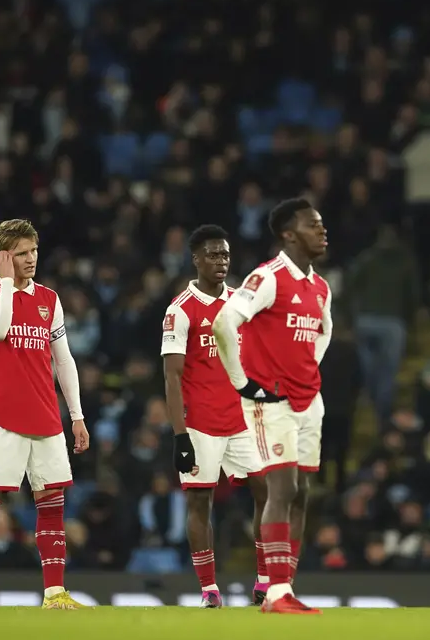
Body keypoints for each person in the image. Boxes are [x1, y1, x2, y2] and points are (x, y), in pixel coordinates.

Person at [0, 219, 91, 610]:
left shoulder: (50, 298)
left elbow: (63, 360)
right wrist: (6, 284)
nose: (30, 259)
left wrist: (77, 415)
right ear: (3, 257)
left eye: (33, 251)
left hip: (46, 417)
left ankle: (54, 593)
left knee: (51, 502)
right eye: (21, 253)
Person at [212, 198, 331, 615]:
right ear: (288, 233)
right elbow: (225, 321)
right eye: (313, 225)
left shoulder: (321, 287)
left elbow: (323, 334)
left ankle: (286, 589)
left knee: (301, 493)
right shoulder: (269, 277)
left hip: (307, 400)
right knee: (282, 488)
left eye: (322, 225)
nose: (323, 231)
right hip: (271, 401)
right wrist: (242, 382)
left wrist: (307, 372)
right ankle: (276, 592)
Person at [161, 225, 269, 608]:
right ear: (196, 259)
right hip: (200, 423)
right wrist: (179, 435)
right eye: (212, 255)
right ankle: (209, 589)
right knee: (199, 503)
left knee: (266, 491)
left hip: (241, 419)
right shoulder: (180, 310)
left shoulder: (241, 303)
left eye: (224, 254)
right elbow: (172, 376)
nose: (220, 261)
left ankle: (264, 580)